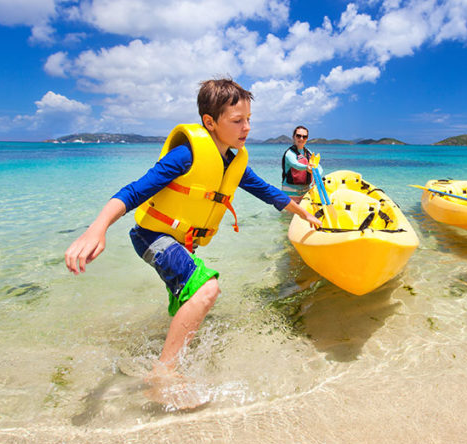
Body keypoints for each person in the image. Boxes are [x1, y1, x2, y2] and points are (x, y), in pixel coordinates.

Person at [64, 79, 322, 382]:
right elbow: (134, 192)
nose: (247, 128)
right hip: (152, 236)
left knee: (191, 302)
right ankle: (162, 376)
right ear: (209, 122)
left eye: (249, 119)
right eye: (237, 120)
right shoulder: (185, 155)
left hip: (183, 243)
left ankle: (164, 346)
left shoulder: (234, 160)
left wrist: (302, 211)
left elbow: (265, 191)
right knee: (206, 289)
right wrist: (98, 228)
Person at [281, 125, 323, 202]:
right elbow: (296, 165)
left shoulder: (309, 153)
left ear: (307, 138)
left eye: (304, 137)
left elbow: (318, 166)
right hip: (290, 190)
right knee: (289, 214)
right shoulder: (289, 153)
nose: (301, 139)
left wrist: (317, 175)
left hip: (306, 190)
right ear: (293, 137)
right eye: (298, 136)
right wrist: (307, 167)